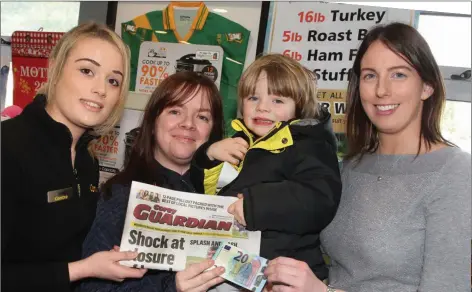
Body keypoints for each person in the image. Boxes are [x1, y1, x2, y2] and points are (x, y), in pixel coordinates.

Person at [263, 22, 471, 292]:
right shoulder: (347, 167)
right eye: (370, 75)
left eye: (398, 75)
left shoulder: (454, 171)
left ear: (427, 87)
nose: (381, 90)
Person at [1, 22, 147, 292]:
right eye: (87, 71)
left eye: (113, 80)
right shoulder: (7, 147)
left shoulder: (86, 160)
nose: (101, 89)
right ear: (55, 69)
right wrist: (84, 269)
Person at [193, 53, 342, 281]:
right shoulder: (237, 141)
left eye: (277, 100)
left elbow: (318, 198)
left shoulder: (309, 146)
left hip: (286, 275)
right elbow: (200, 195)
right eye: (253, 98)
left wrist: (255, 206)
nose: (262, 108)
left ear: (299, 107)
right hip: (237, 269)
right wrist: (209, 157)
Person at [80, 71, 227, 292]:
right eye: (175, 111)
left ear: (212, 132)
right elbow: (91, 289)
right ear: (153, 122)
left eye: (202, 116)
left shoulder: (228, 198)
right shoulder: (120, 197)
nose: (188, 124)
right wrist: (171, 288)